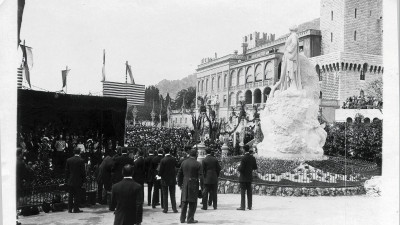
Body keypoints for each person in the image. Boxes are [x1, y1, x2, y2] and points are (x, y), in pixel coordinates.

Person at [178, 149, 203, 224]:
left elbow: (179, 174)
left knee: (184, 201)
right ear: (196, 155)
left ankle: (182, 219)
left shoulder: (184, 162)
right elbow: (201, 176)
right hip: (194, 183)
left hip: (185, 183)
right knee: (192, 202)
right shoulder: (198, 164)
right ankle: (190, 218)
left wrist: (179, 184)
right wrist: (201, 187)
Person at [65, 147, 86, 213]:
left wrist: (67, 180)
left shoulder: (69, 160)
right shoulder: (81, 160)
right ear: (79, 152)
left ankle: (69, 209)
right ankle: (76, 208)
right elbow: (83, 172)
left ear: (74, 152)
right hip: (78, 180)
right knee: (77, 195)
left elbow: (67, 171)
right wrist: (84, 181)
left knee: (70, 195)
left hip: (70, 180)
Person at [237, 146, 258, 211]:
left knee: (243, 192)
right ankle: (249, 206)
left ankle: (243, 206)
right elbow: (255, 167)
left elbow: (242, 168)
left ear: (244, 150)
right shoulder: (252, 158)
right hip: (249, 176)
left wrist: (238, 167)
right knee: (249, 192)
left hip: (243, 177)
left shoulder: (244, 158)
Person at [159, 148, 178, 213]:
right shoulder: (173, 159)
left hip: (164, 179)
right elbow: (177, 165)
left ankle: (165, 209)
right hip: (172, 179)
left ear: (164, 152)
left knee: (165, 195)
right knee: (172, 195)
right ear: (169, 151)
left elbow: (160, 171)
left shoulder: (163, 160)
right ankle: (174, 208)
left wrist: (159, 175)